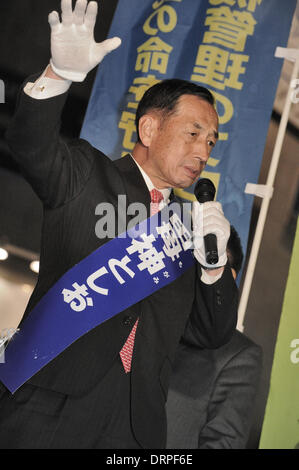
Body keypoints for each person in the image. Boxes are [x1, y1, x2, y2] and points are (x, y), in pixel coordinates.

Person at [0, 0, 238, 449]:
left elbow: (211, 333)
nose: (204, 151)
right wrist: (58, 75)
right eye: (193, 133)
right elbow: (29, 144)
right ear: (149, 130)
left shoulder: (189, 229)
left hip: (136, 427)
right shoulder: (88, 175)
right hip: (49, 403)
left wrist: (212, 264)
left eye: (211, 140)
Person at [166, 227, 262, 449]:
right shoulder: (145, 317)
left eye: (209, 267)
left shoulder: (238, 356)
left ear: (230, 279)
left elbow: (223, 441)